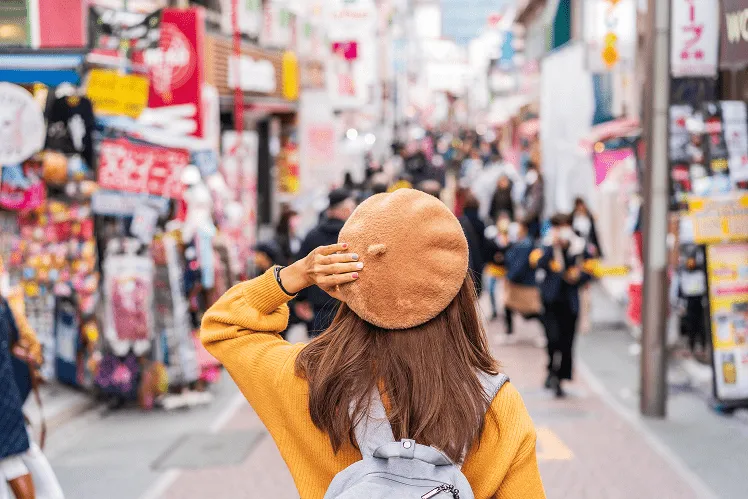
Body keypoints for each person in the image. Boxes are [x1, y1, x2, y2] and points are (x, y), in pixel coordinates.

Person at [201, 189, 545, 499]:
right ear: (459, 292)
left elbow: (223, 324)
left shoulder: (307, 381)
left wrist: (297, 275)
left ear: (347, 280)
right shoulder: (494, 405)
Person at [531, 214, 593, 398]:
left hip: (570, 302)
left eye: (565, 226)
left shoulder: (579, 247)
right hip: (551, 301)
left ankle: (559, 376)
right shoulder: (546, 245)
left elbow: (589, 271)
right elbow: (538, 264)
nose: (562, 231)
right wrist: (553, 247)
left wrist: (578, 276)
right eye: (558, 226)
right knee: (552, 338)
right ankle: (551, 370)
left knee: (567, 342)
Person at [296, 188, 356, 335]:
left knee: (319, 353)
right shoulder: (353, 236)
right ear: (346, 210)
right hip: (348, 306)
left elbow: (301, 267)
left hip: (318, 308)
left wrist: (300, 300)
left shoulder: (312, 235)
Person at [459, 192, 488, 296]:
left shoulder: (460, 221)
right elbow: (483, 244)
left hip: (465, 257)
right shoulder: (480, 223)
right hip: (478, 258)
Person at [521, 161, 545, 241]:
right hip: (530, 216)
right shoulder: (530, 186)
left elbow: (535, 204)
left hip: (533, 218)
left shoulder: (537, 187)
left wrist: (526, 218)